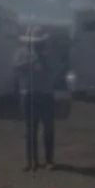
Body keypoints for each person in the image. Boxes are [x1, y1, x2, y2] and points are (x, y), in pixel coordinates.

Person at [14, 26, 56, 171]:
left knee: (48, 128)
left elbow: (56, 69)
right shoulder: (21, 53)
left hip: (46, 94)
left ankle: (49, 160)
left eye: (38, 42)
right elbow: (16, 68)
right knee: (30, 129)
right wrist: (29, 63)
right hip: (28, 93)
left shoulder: (50, 54)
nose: (36, 44)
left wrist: (43, 59)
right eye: (34, 42)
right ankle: (31, 161)